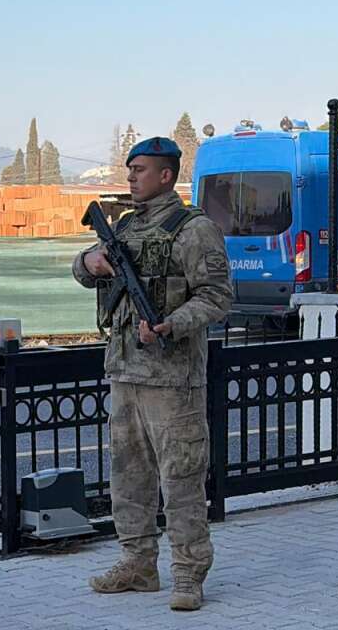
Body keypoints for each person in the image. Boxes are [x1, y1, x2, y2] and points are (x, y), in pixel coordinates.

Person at [72, 137, 233, 612]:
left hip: (173, 377)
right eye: (129, 169)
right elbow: (82, 270)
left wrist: (170, 324)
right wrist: (88, 262)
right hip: (124, 371)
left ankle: (188, 574)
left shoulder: (194, 229)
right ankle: (138, 564)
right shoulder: (124, 227)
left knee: (181, 480)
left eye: (139, 170)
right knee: (129, 478)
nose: (130, 177)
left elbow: (218, 296)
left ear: (166, 175)